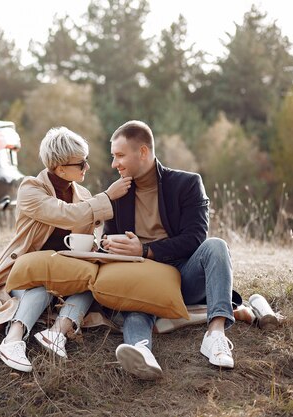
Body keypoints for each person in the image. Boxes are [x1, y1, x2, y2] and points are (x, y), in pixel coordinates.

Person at [0, 126, 130, 373]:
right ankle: (12, 341)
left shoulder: (84, 194)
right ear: (59, 168)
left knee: (90, 284)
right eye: (81, 163)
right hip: (23, 272)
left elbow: (83, 234)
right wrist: (107, 197)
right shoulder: (30, 190)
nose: (86, 168)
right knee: (41, 289)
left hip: (65, 271)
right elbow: (65, 214)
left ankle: (57, 333)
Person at [100, 120, 235, 380]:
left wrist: (144, 249)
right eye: (113, 157)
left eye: (119, 156)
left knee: (216, 246)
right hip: (141, 278)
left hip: (183, 275)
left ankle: (215, 334)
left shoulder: (187, 184)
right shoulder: (118, 191)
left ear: (142, 152)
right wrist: (110, 244)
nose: (114, 164)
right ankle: (142, 352)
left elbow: (195, 238)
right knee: (136, 306)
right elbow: (106, 236)